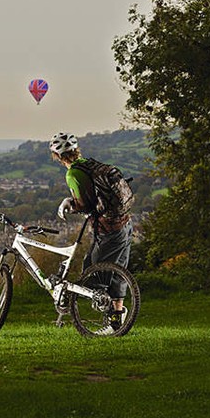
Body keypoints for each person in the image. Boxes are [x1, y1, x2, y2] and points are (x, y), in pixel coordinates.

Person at [49, 131, 133, 333]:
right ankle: (116, 322)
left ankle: (111, 322)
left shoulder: (73, 173)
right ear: (76, 150)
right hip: (124, 223)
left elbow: (86, 205)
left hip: (108, 228)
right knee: (116, 273)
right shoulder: (91, 164)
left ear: (57, 157)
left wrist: (69, 203)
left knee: (95, 273)